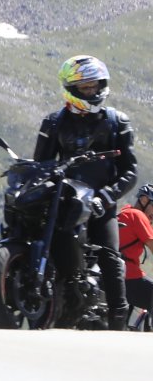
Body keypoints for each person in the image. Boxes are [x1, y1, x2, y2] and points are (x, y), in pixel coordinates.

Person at [34, 55, 135, 329]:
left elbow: (130, 171)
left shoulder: (117, 121)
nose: (91, 91)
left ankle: (118, 320)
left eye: (94, 85)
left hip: (101, 203)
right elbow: (41, 166)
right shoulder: (53, 123)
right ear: (71, 89)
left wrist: (107, 196)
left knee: (110, 254)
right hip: (64, 202)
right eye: (85, 87)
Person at [117, 183, 153, 318]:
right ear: (144, 200)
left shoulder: (124, 212)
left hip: (115, 273)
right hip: (128, 275)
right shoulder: (137, 215)